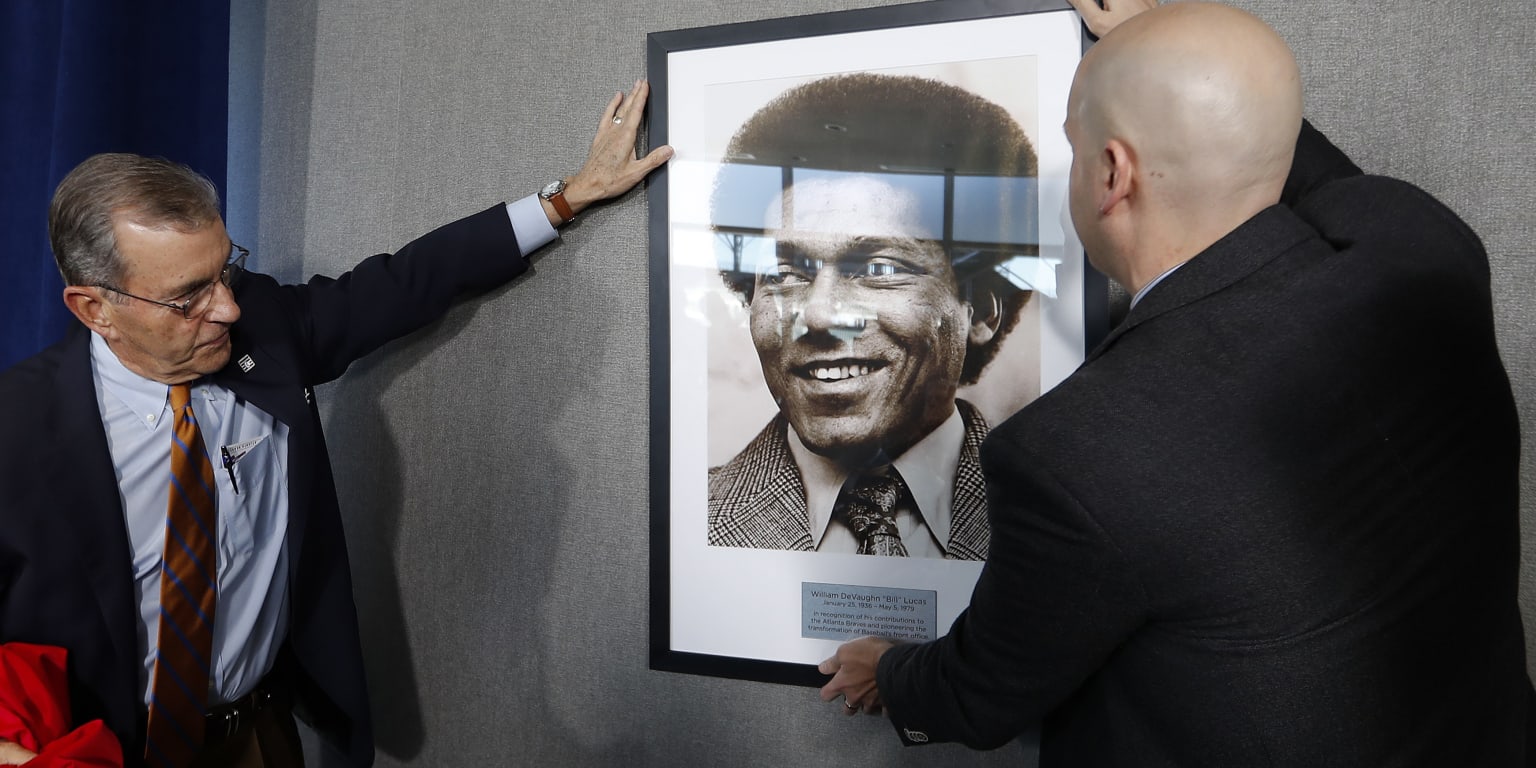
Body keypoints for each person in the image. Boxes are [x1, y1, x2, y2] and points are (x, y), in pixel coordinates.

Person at [817, 2, 1534, 764]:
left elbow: (983, 687)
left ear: (1111, 174)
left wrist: (891, 674)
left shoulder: (1078, 453)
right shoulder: (1419, 242)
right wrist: (1161, 45)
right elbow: (1306, 171)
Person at [0, 81, 671, 767]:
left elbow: (406, 283)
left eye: (225, 271)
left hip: (257, 740)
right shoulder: (18, 429)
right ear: (93, 308)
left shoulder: (264, 326)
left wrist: (568, 196)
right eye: (187, 299)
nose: (228, 309)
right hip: (97, 751)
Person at [706, 73, 1040, 560]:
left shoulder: (1061, 525)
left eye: (878, 269)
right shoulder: (686, 527)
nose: (818, 314)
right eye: (783, 273)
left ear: (981, 311)